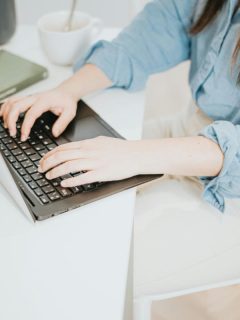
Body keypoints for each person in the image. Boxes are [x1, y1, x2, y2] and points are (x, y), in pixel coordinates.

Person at [1, 0, 240, 213]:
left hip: (227, 184)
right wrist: (66, 91)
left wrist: (135, 155)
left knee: (103, 218)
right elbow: (147, 38)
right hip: (193, 130)